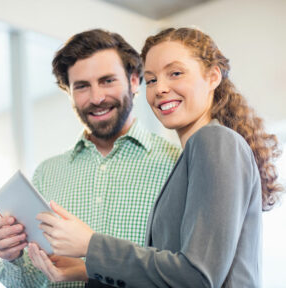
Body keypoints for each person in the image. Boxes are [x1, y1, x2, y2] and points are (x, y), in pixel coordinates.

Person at [29, 27, 284, 288]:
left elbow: (198, 277)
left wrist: (91, 245)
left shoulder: (213, 140)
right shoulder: (196, 152)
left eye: (175, 73)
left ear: (212, 77)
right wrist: (88, 269)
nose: (160, 88)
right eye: (151, 80)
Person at [0, 29, 181, 288]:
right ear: (68, 92)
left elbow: (184, 274)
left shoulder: (176, 165)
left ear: (134, 80)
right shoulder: (47, 173)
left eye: (107, 81)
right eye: (81, 86)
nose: (97, 98)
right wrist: (12, 257)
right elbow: (27, 284)